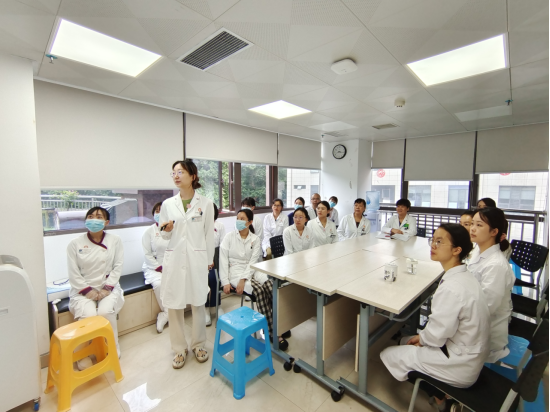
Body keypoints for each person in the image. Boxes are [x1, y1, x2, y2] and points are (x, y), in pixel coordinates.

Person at [380, 224, 490, 412]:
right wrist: (421, 338)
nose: (433, 245)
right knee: (405, 341)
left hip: (459, 364)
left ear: (456, 250)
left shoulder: (452, 288)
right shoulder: (464, 276)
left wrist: (422, 339)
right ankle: (440, 392)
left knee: (387, 354)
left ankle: (441, 397)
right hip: (466, 353)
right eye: (433, 240)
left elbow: (436, 336)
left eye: (440, 242)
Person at [159, 160, 215, 369]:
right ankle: (179, 348)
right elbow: (164, 236)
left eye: (180, 172)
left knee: (198, 302)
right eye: (173, 172)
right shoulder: (167, 204)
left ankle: (199, 344)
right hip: (175, 260)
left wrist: (208, 261)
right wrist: (166, 230)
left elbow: (209, 235)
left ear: (193, 176)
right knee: (174, 305)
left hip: (196, 260)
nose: (176, 175)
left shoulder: (206, 204)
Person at [220, 209, 289, 350]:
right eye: (237, 218)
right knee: (258, 290)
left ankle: (280, 325)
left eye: (242, 219)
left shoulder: (255, 239)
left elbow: (253, 262)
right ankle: (271, 331)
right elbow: (222, 260)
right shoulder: (229, 237)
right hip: (235, 271)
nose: (238, 221)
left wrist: (244, 278)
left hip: (252, 269)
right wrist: (226, 282)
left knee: (271, 286)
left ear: (250, 222)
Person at [67, 206, 125, 370]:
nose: (94, 219)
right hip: (83, 289)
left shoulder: (115, 240)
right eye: (90, 216)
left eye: (99, 217)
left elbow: (118, 267)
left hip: (108, 286)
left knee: (105, 312)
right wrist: (89, 292)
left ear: (106, 222)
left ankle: (112, 345)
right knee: (89, 316)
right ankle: (82, 354)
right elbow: (73, 273)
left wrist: (107, 288)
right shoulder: (75, 244)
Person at [468, 207, 515, 363]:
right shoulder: (478, 251)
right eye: (472, 223)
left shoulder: (496, 265)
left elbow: (485, 308)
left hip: (485, 338)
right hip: (472, 323)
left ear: (494, 231)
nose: (472, 228)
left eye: (479, 225)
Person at [141, 201, 170, 333]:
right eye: (157, 211)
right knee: (159, 284)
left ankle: (173, 312)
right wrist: (159, 268)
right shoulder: (149, 232)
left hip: (171, 265)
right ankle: (165, 314)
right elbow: (146, 254)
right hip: (153, 266)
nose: (160, 213)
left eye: (162, 211)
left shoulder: (174, 231)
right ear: (153, 214)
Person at [205, 204, 226, 327]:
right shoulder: (199, 225)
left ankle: (217, 305)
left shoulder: (220, 225)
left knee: (215, 279)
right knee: (205, 280)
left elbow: (223, 244)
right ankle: (205, 309)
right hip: (202, 255)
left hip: (217, 255)